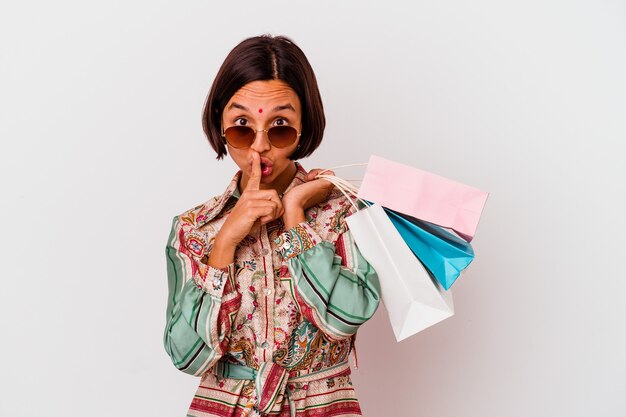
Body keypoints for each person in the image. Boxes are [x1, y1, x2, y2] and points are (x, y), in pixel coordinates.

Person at [163, 34, 381, 417]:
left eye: (279, 125)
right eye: (242, 126)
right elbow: (186, 356)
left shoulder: (347, 212)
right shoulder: (194, 228)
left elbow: (342, 319)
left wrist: (296, 212)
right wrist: (226, 239)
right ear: (220, 123)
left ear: (304, 126)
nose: (260, 145)